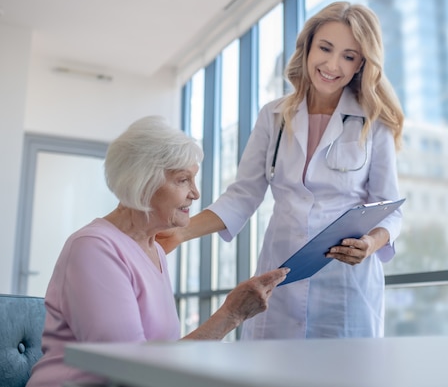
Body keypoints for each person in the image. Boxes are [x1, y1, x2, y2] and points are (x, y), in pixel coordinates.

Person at [158, 1, 404, 339]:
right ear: (307, 47)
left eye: (349, 56)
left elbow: (389, 209)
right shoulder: (273, 116)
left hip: (345, 285)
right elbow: (243, 194)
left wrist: (371, 244)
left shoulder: (374, 123)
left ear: (361, 63)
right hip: (280, 275)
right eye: (325, 48)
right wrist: (181, 233)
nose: (332, 65)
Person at [26, 116, 289, 387]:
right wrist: (231, 315)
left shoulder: (156, 250)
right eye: (183, 180)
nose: (195, 193)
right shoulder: (94, 248)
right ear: (142, 182)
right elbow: (128, 372)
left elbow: (157, 360)